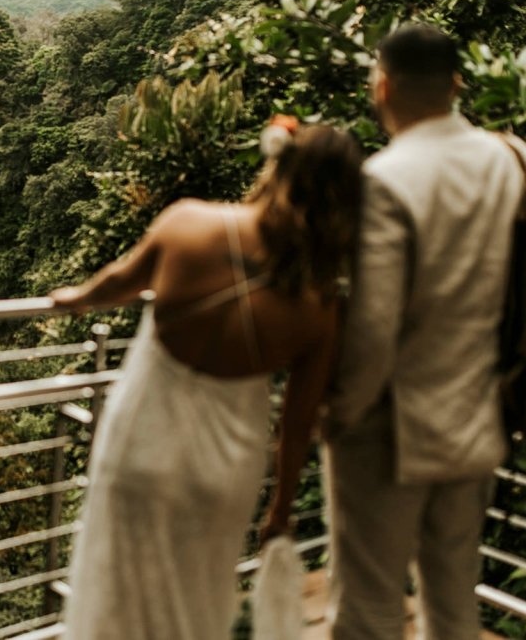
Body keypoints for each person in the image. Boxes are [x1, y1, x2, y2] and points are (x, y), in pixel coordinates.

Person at [51, 122, 364, 639]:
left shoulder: (189, 224)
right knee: (195, 602)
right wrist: (280, 509)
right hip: (224, 469)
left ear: (276, 165)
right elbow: (296, 424)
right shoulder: (318, 307)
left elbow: (121, 281)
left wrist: (77, 297)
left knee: (113, 586)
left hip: (139, 444)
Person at [324, 24, 526, 639]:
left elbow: (372, 326)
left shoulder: (386, 179)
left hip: (390, 429)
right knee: (453, 604)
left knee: (369, 610)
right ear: (457, 85)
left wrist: (338, 414)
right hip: (475, 414)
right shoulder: (507, 159)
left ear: (381, 85)